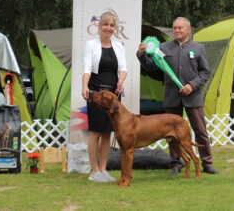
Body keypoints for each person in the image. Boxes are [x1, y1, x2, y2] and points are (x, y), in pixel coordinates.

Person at [137, 17, 219, 175]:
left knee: (200, 131)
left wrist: (192, 85)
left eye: (180, 28)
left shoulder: (199, 48)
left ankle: (207, 163)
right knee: (171, 135)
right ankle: (175, 164)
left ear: (189, 30)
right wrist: (141, 55)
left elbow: (205, 72)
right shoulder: (163, 47)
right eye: (174, 28)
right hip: (171, 97)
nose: (177, 31)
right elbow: (151, 67)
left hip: (193, 97)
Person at [82, 11, 127, 183]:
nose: (108, 28)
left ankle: (103, 169)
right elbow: (87, 68)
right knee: (95, 133)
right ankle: (94, 172)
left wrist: (121, 81)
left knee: (108, 133)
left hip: (113, 96)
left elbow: (123, 68)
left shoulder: (119, 46)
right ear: (99, 26)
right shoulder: (91, 45)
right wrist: (85, 86)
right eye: (105, 24)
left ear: (115, 28)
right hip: (96, 93)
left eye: (112, 25)